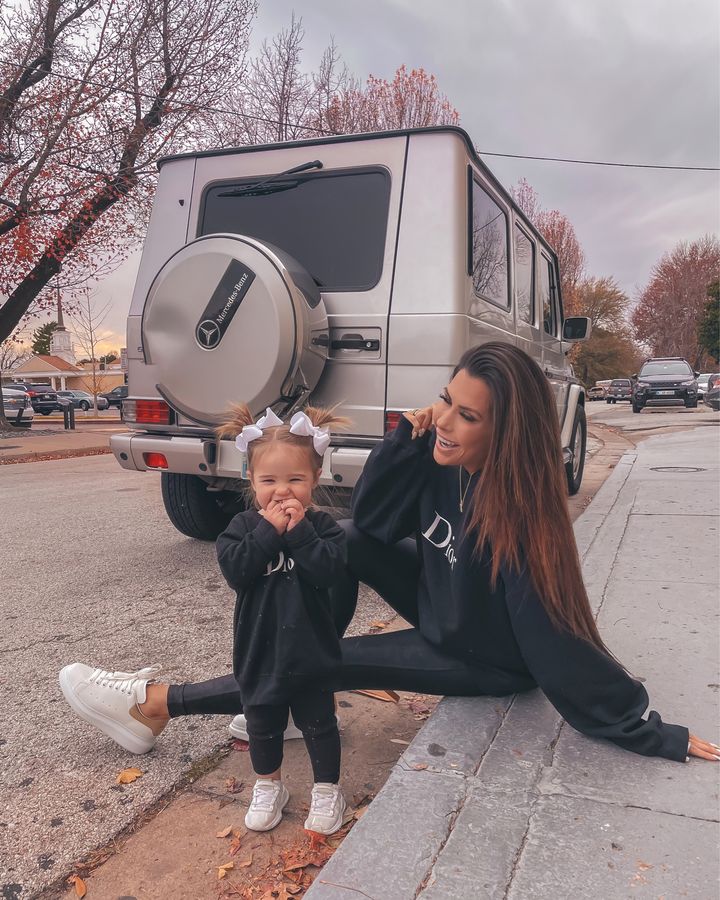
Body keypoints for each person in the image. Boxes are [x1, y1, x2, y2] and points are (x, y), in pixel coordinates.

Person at [59, 344, 719, 780]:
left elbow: (553, 640)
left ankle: (153, 706)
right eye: (447, 400)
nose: (448, 422)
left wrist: (641, 726)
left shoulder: (518, 519)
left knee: (314, 662)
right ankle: (292, 683)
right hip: (447, 604)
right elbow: (372, 522)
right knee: (341, 536)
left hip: (482, 657)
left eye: (467, 415)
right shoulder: (445, 461)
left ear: (505, 431)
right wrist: (408, 437)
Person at [61, 405, 350, 835]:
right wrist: (269, 532)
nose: (282, 492)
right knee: (263, 724)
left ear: (315, 479)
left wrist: (300, 533)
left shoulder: (324, 527)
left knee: (319, 723)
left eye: (295, 480)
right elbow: (237, 571)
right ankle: (269, 785)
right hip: (258, 652)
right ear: (251, 482)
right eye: (269, 481)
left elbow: (328, 571)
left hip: (313, 652)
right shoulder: (242, 527)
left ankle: (328, 789)